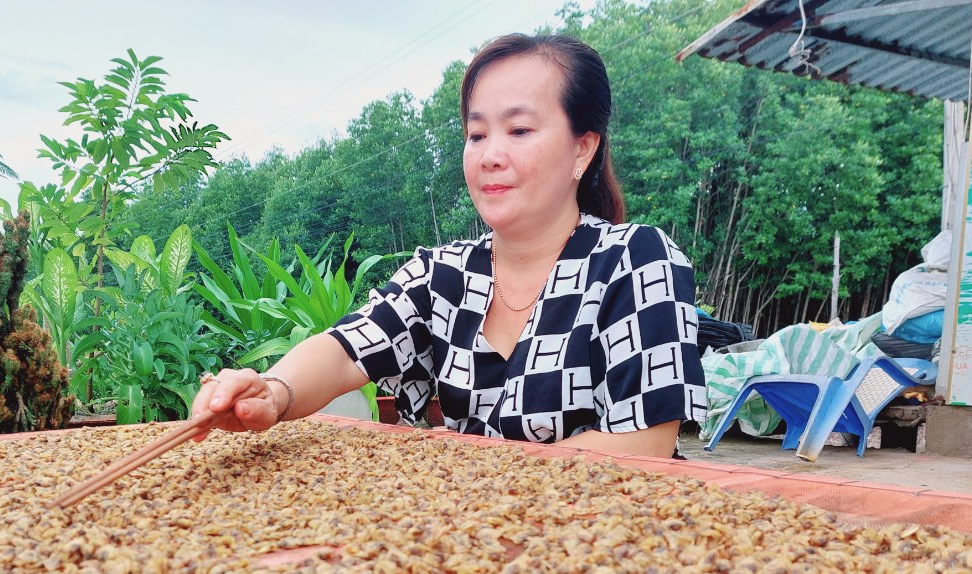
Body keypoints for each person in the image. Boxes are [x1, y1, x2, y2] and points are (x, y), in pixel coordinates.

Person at [193, 33, 707, 458]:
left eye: (520, 129)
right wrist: (273, 392)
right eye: (477, 134)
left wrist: (464, 456)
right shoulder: (442, 273)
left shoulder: (635, 261)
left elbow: (642, 446)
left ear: (582, 147)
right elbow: (347, 349)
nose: (490, 156)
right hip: (472, 544)